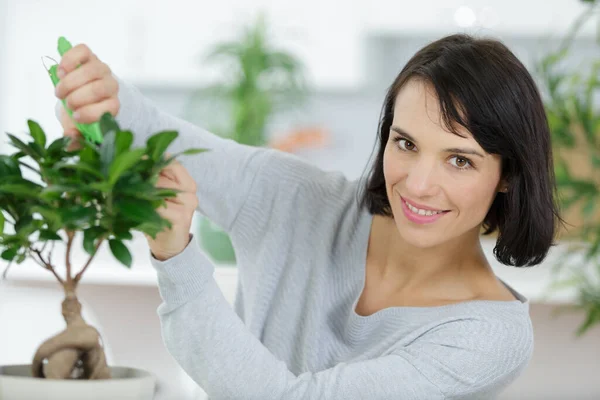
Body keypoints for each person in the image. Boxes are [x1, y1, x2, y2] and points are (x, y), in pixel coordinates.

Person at [54, 33, 561, 399]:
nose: (419, 183)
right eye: (405, 143)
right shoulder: (299, 199)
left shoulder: (488, 335)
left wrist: (176, 255)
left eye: (459, 160)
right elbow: (166, 142)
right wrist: (105, 103)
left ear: (508, 174)